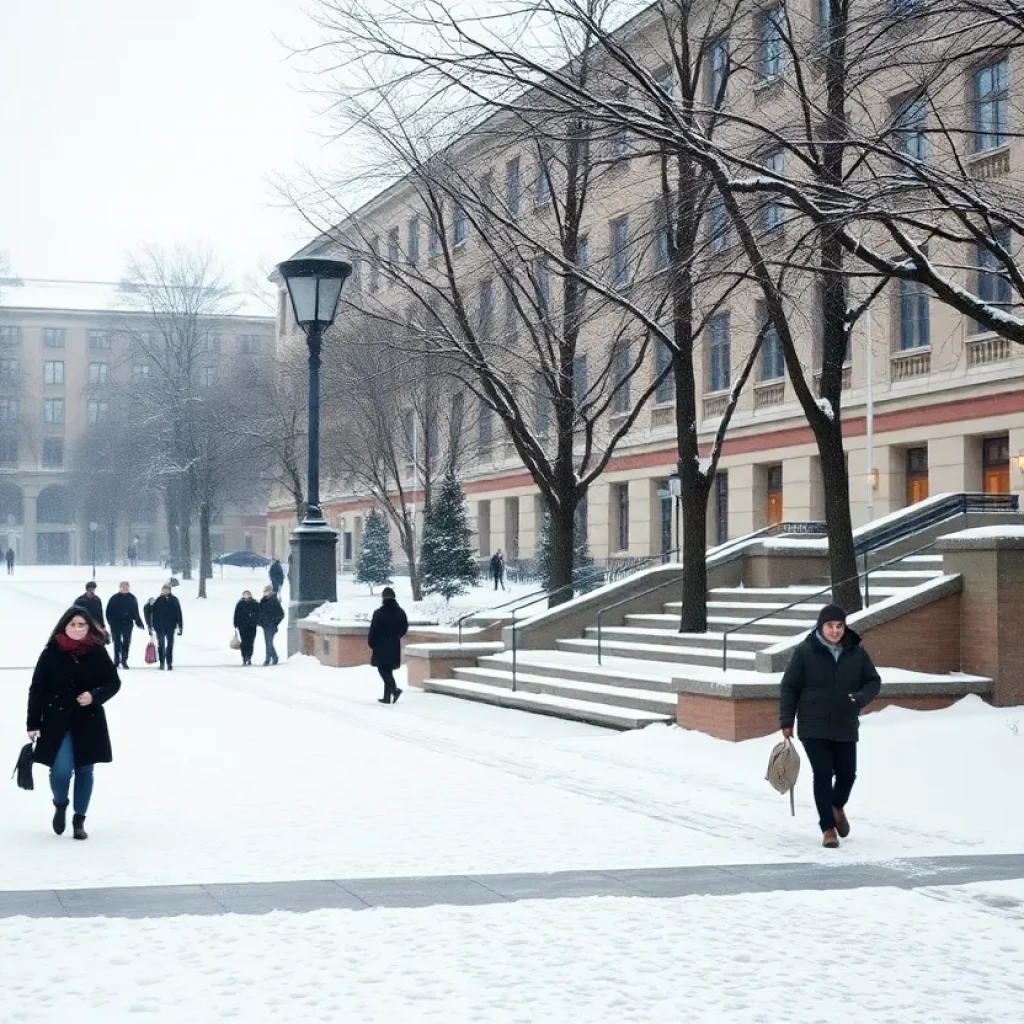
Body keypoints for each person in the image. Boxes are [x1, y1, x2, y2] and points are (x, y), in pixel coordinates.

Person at [779, 604, 881, 849]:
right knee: (823, 774)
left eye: (839, 626)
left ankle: (836, 806)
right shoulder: (805, 652)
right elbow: (789, 686)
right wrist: (786, 720)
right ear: (820, 626)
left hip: (845, 722)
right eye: (830, 626)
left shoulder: (855, 651)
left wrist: (860, 697)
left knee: (847, 774)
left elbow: (873, 681)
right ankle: (828, 828)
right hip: (813, 725)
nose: (835, 631)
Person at [26, 607, 121, 841]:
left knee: (85, 770)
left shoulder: (97, 652)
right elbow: (37, 690)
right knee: (60, 769)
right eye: (73, 624)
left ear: (89, 627)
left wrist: (94, 695)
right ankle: (60, 804)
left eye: (82, 625)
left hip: (88, 720)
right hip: (55, 720)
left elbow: (113, 682)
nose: (78, 629)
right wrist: (32, 723)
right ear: (64, 626)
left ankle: (79, 820)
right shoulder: (50, 654)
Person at [367, 586, 408, 704]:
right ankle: (386, 697)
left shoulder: (379, 613)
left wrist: (372, 643)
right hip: (394, 644)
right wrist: (397, 636)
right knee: (388, 669)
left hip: (380, 645)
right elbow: (404, 628)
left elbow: (373, 630)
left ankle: (394, 690)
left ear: (383, 598)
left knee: (382, 669)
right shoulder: (400, 612)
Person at [105, 581, 144, 669]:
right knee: (117, 642)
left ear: (128, 587)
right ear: (119, 587)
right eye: (122, 586)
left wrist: (138, 622)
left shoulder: (132, 598)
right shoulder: (114, 598)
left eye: (126, 586)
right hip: (116, 624)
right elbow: (108, 611)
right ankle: (116, 661)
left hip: (127, 623)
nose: (124, 588)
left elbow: (136, 611)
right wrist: (110, 622)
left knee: (126, 642)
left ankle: (124, 661)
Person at [149, 583, 184, 671]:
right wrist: (152, 626)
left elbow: (178, 613)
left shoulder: (174, 600)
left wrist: (180, 626)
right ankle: (162, 662)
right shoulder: (158, 600)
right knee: (161, 645)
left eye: (167, 589)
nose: (165, 591)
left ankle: (169, 662)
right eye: (164, 589)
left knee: (170, 645)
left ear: (170, 590)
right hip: (159, 626)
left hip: (171, 626)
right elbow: (152, 613)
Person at [258, 585, 285, 666]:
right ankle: (274, 657)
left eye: (266, 591)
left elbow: (281, 614)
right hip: (265, 625)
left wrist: (274, 622)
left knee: (269, 642)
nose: (265, 593)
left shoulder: (274, 601)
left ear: (270, 591)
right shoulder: (263, 601)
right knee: (268, 642)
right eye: (264, 591)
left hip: (271, 626)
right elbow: (260, 612)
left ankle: (268, 659)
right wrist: (260, 621)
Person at [233, 590, 260, 666]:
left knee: (250, 642)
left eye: (247, 595)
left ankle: (249, 657)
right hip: (242, 626)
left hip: (251, 626)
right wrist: (236, 624)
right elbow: (236, 615)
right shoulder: (240, 604)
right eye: (245, 595)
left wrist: (255, 621)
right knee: (244, 642)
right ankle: (244, 657)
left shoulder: (255, 604)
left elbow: (258, 614)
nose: (246, 597)